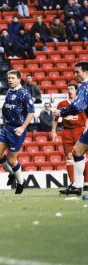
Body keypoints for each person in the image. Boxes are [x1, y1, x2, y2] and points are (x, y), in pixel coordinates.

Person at [0, 70, 35, 194]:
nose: (9, 80)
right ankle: (11, 174)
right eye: (8, 78)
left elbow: (31, 112)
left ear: (19, 79)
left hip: (17, 129)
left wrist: (22, 127)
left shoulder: (24, 94)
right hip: (7, 127)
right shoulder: (9, 92)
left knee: (12, 160)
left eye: (12, 78)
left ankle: (20, 182)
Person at [54, 62, 88, 195]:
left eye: (77, 72)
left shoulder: (84, 86)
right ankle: (78, 186)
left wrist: (61, 112)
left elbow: (78, 107)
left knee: (77, 151)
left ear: (85, 72)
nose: (75, 75)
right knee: (77, 151)